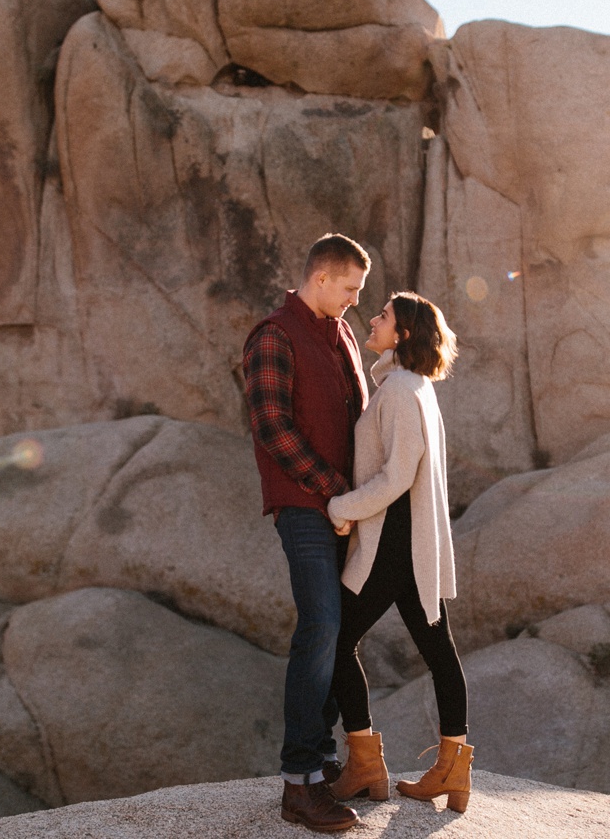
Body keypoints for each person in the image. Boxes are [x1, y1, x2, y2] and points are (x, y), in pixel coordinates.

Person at [243, 233, 371, 833]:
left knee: (337, 632)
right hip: (305, 507)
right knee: (320, 626)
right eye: (350, 288)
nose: (354, 301)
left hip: (346, 508)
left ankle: (324, 771)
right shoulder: (274, 334)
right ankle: (299, 784)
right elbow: (272, 425)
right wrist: (332, 490)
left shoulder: (341, 332)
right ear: (321, 278)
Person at [326, 292, 473, 813]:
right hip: (411, 544)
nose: (373, 320)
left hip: (392, 544)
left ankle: (365, 762)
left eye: (383, 316)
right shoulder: (412, 387)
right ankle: (452, 769)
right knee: (439, 653)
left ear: (403, 333)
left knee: (335, 642)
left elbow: (396, 476)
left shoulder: (401, 391)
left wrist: (342, 506)